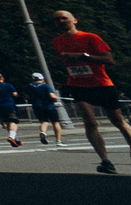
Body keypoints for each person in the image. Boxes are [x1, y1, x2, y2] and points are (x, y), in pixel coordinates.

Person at [51, 10, 128, 174]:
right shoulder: (57, 42)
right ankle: (105, 161)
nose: (61, 21)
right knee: (90, 122)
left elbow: (109, 60)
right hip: (78, 85)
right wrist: (62, 60)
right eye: (58, 19)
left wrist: (83, 56)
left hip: (101, 84)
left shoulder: (90, 37)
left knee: (118, 121)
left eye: (64, 18)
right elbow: (61, 62)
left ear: (74, 20)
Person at [0, 73, 22, 148]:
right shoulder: (8, 85)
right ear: (2, 78)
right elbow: (15, 94)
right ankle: (12, 137)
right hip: (10, 105)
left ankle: (15, 140)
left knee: (8, 122)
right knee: (13, 122)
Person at [28, 72, 65, 145]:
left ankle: (43, 132)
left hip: (37, 107)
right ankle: (58, 141)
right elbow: (52, 96)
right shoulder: (45, 86)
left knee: (44, 121)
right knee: (56, 123)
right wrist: (55, 99)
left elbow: (28, 97)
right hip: (49, 106)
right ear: (42, 78)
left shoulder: (30, 87)